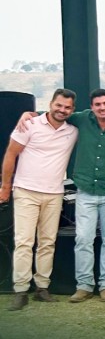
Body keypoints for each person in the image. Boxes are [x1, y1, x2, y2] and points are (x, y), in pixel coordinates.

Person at [57, 89, 105, 302]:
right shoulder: (82, 119)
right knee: (83, 239)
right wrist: (29, 114)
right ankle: (84, 285)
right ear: (91, 107)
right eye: (98, 104)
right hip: (85, 190)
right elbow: (58, 114)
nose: (102, 108)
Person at [2, 89, 78, 310]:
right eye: (59, 105)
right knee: (24, 242)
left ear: (72, 110)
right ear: (51, 103)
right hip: (26, 191)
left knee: (47, 242)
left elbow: (96, 119)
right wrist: (5, 187)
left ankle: (42, 287)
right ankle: (21, 290)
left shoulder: (72, 131)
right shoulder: (29, 124)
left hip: (54, 194)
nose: (62, 110)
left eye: (67, 107)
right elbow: (10, 154)